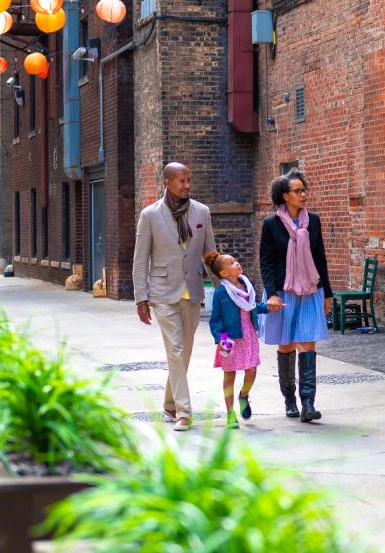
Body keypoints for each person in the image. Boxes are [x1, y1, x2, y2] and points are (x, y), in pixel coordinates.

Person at [131, 162, 217, 432]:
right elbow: (140, 259)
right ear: (167, 182)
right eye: (181, 181)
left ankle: (169, 402)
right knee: (176, 349)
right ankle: (184, 411)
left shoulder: (201, 211)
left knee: (185, 351)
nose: (186, 185)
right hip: (163, 292)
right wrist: (140, 298)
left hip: (191, 291)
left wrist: (227, 289)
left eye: (188, 180)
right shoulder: (150, 215)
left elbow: (210, 255)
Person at [259, 171, 332, 423]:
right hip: (283, 292)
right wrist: (271, 295)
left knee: (308, 342)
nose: (303, 195)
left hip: (311, 289)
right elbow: (266, 262)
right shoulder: (271, 225)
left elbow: (320, 257)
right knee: (286, 344)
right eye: (297, 191)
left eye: (304, 190)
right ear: (284, 196)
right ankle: (289, 400)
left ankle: (308, 403)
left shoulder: (313, 221)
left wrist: (328, 294)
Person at [206, 251, 282, 428]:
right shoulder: (221, 293)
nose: (237, 263)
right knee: (229, 375)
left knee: (251, 371)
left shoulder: (247, 286)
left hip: (249, 335)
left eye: (236, 260)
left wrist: (269, 307)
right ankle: (230, 414)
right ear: (224, 273)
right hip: (230, 339)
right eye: (232, 263)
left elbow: (253, 307)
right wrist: (221, 338)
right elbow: (215, 320)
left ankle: (244, 395)